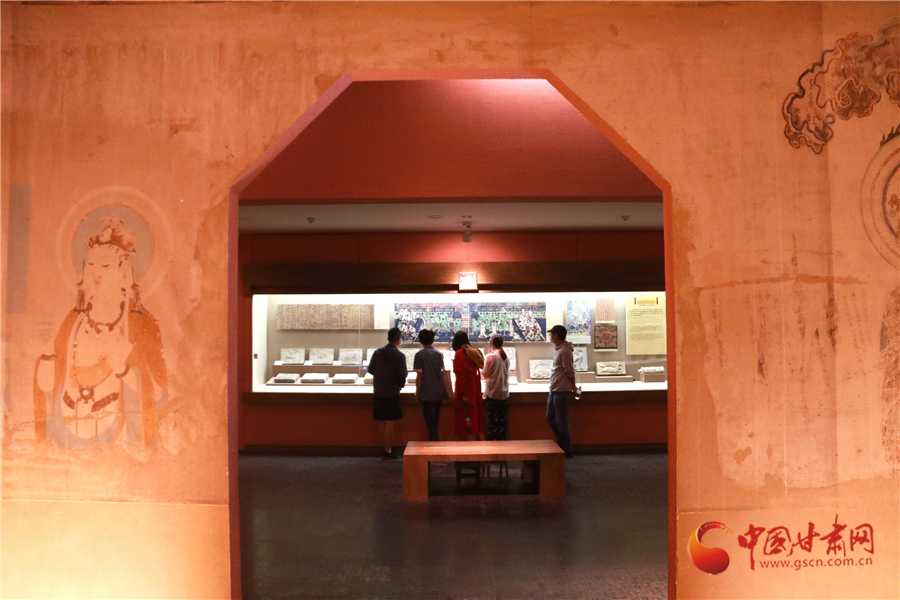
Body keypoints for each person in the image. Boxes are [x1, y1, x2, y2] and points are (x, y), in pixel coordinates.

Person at [34, 217, 168, 448]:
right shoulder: (73, 321)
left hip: (122, 437)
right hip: (68, 424)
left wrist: (126, 372)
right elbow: (54, 379)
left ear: (124, 271)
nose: (96, 274)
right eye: (91, 265)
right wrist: (47, 371)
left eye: (105, 266)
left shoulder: (140, 323)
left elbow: (161, 395)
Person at [367, 326, 407, 459]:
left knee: (382, 421)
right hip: (391, 392)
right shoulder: (399, 355)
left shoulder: (377, 352)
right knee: (390, 422)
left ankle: (386, 446)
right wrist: (400, 386)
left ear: (388, 338)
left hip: (378, 391)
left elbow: (371, 370)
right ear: (399, 339)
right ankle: (387, 449)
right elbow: (402, 375)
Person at [547, 324, 578, 458]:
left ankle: (567, 447)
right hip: (555, 389)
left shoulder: (564, 351)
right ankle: (562, 442)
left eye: (552, 334)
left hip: (562, 390)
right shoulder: (560, 350)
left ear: (556, 335)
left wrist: (573, 386)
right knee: (550, 417)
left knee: (561, 420)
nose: (550, 336)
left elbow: (569, 371)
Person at [413, 329, 448, 441]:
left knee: (430, 423)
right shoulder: (438, 354)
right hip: (438, 391)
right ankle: (434, 443)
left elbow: (419, 376)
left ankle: (433, 444)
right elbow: (442, 371)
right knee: (435, 421)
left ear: (419, 340)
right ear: (433, 340)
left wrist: (417, 392)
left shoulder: (419, 355)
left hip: (426, 393)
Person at [451, 331, 484, 440]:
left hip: (465, 390)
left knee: (465, 419)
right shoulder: (473, 352)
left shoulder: (459, 353)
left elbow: (460, 375)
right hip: (474, 388)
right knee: (474, 417)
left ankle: (468, 446)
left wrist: (462, 393)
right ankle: (475, 442)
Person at [482, 334, 510, 440]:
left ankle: (493, 444)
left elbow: (485, 374)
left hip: (493, 393)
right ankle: (502, 443)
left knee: (493, 422)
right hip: (504, 394)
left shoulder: (491, 356)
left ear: (491, 344)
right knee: (502, 422)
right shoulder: (505, 357)